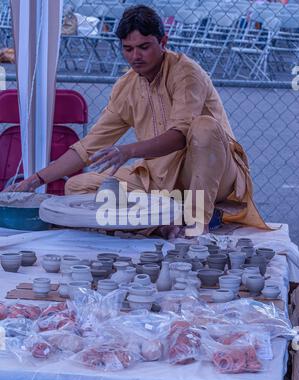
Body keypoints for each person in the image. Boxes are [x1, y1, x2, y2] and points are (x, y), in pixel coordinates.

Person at [5, 5, 269, 238]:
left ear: (163, 41)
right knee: (77, 187)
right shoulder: (126, 87)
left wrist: (128, 151)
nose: (135, 57)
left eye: (144, 47)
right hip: (158, 180)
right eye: (128, 49)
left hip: (207, 177)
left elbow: (180, 136)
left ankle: (198, 222)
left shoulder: (186, 73)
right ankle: (161, 225)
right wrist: (35, 180)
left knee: (205, 127)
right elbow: (88, 148)